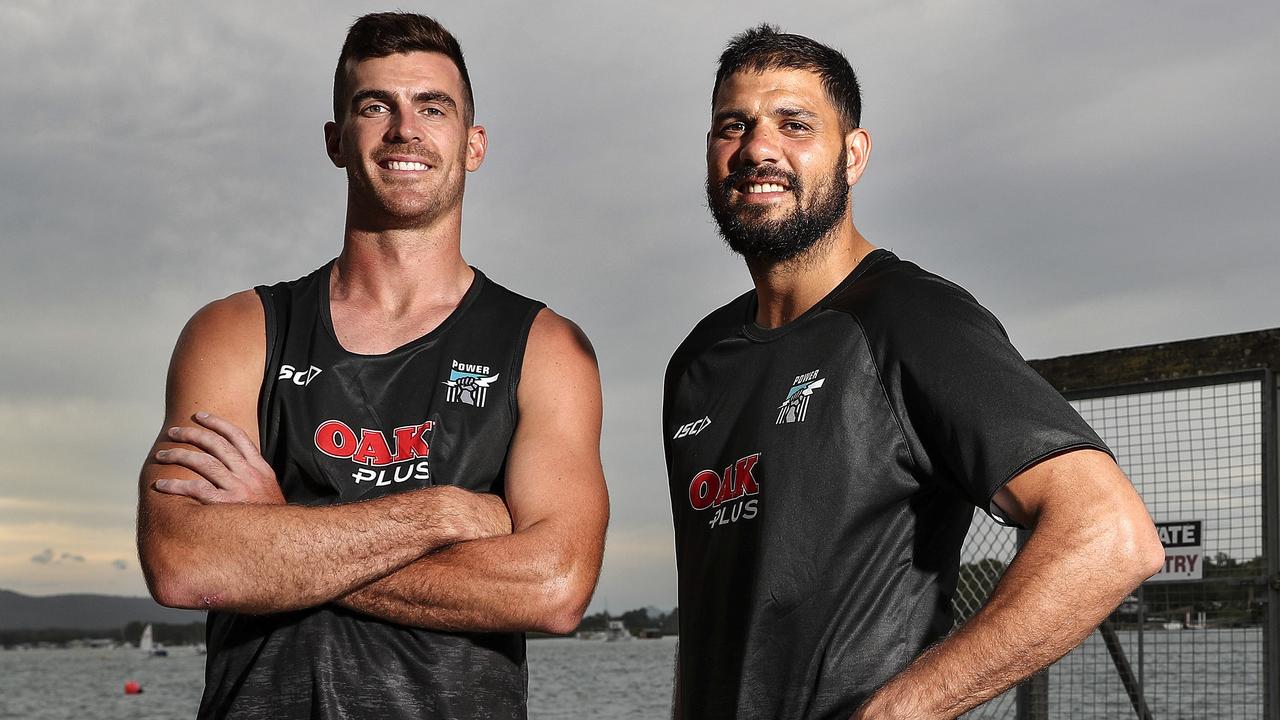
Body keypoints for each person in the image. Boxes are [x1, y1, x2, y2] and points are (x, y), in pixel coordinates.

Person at [663, 25, 1164, 719]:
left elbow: (1110, 534)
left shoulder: (910, 317)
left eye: (794, 123)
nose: (758, 148)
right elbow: (713, 624)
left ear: (853, 154)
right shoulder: (697, 362)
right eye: (733, 125)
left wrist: (901, 711)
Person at [137, 13, 609, 720]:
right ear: (336, 141)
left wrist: (278, 530)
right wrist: (445, 513)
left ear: (472, 143)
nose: (404, 130)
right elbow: (185, 561)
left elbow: (554, 588)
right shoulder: (236, 333)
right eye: (374, 106)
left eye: (432, 107)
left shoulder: (543, 347)